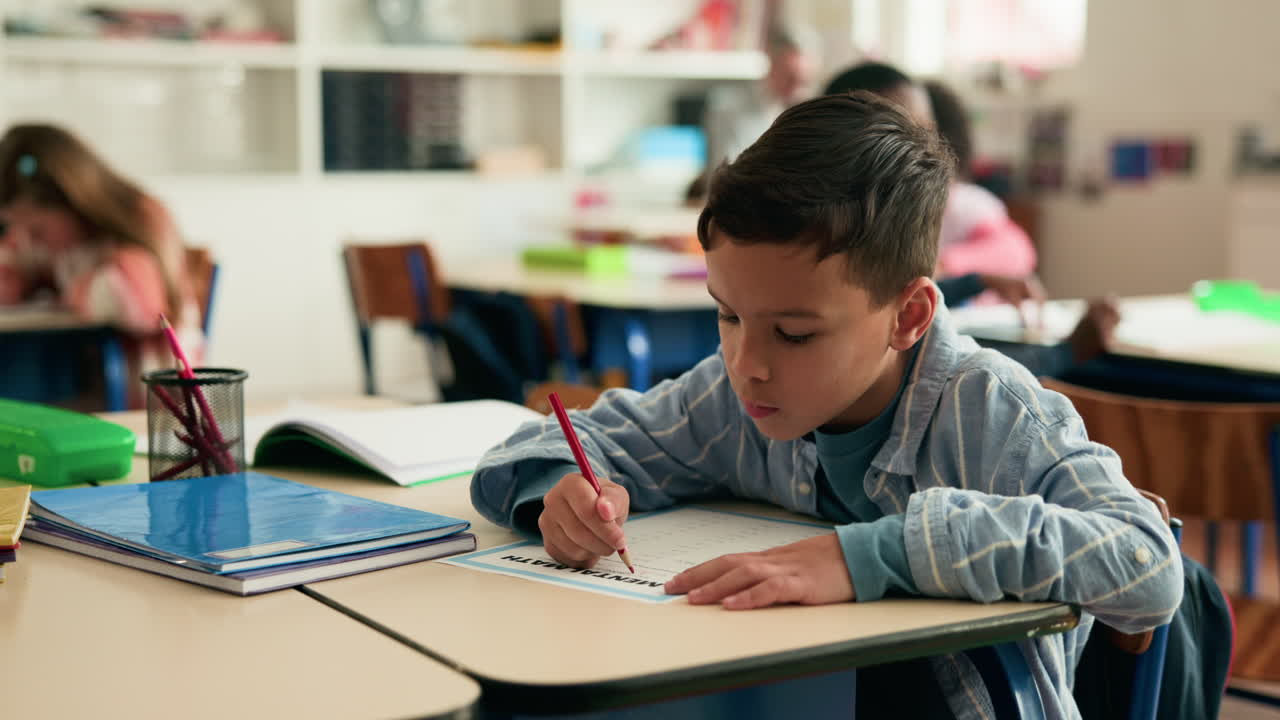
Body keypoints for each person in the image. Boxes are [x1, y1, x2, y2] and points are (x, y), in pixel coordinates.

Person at [471, 93, 1182, 718]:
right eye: (727, 316)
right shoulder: (735, 400)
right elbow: (552, 442)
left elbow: (1147, 564)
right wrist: (558, 490)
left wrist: (871, 554)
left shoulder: (992, 413)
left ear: (908, 316)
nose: (747, 364)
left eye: (794, 333)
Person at [824, 62, 1120, 374]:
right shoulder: (838, 245)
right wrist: (1067, 353)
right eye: (903, 136)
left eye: (927, 132)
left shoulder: (870, 224)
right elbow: (940, 375)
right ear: (843, 144)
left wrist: (973, 281)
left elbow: (897, 299)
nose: (926, 151)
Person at [0, 123, 202, 407]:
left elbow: (135, 303)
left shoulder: (138, 221)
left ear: (74, 201)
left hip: (153, 402)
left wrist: (78, 292)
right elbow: (14, 265)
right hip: (93, 391)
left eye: (36, 232)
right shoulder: (61, 242)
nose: (25, 241)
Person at [702, 21, 816, 168]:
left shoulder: (808, 112)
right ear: (773, 63)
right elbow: (726, 172)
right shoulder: (728, 107)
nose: (798, 88)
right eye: (791, 77)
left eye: (805, 80)